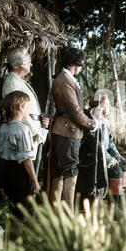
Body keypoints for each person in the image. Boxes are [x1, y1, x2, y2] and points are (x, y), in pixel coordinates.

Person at [49, 47, 99, 212]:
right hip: (67, 131)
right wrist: (93, 124)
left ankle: (58, 213)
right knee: (69, 170)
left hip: (65, 130)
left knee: (61, 172)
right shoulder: (64, 80)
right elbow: (75, 112)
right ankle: (67, 213)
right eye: (81, 64)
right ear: (75, 64)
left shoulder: (65, 78)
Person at [0, 91, 40, 236]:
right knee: (21, 211)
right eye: (28, 106)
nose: (29, 109)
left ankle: (10, 242)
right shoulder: (23, 129)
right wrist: (34, 181)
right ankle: (18, 244)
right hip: (20, 174)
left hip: (5, 171)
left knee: (12, 208)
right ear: (21, 107)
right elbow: (26, 159)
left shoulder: (3, 128)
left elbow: (1, 152)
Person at [75, 94, 126, 214]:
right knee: (116, 170)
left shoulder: (104, 121)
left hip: (102, 157)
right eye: (107, 105)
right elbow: (94, 145)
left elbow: (110, 143)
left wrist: (117, 156)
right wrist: (109, 160)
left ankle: (120, 200)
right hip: (90, 159)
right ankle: (113, 208)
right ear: (99, 105)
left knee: (124, 166)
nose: (109, 107)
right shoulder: (89, 119)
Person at [2, 47, 50, 164]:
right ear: (20, 63)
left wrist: (40, 119)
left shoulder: (18, 80)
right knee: (23, 173)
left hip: (29, 133)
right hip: (24, 135)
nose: (31, 64)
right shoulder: (12, 82)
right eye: (29, 61)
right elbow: (18, 111)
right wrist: (35, 131)